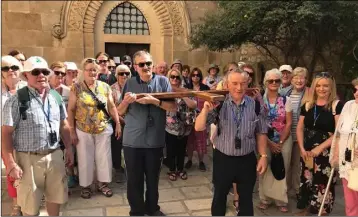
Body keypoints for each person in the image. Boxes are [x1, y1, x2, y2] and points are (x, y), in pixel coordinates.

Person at [2, 56, 73, 216]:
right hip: (28, 159)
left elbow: (64, 125)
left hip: (54, 155)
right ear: (26, 75)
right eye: (35, 72)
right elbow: (6, 133)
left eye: (44, 71)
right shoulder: (16, 100)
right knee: (30, 205)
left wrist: (68, 148)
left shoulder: (56, 97)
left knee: (56, 198)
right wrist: (11, 163)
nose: (41, 75)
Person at [194, 67, 268, 216]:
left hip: (247, 159)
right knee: (219, 196)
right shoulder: (218, 104)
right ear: (227, 85)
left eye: (243, 83)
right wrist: (205, 110)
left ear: (248, 84)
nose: (239, 88)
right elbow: (198, 127)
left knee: (246, 198)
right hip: (224, 158)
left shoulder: (256, 105)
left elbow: (261, 131)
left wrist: (263, 156)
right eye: (234, 83)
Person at [117, 50, 176, 216]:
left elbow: (172, 107)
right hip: (132, 141)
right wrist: (125, 102)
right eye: (141, 64)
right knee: (134, 180)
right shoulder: (129, 83)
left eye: (148, 63)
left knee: (153, 179)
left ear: (153, 64)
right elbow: (119, 111)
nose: (146, 67)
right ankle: (136, 211)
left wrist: (154, 101)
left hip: (155, 140)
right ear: (135, 67)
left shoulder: (163, 81)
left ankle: (152, 208)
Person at [67, 58, 121, 199]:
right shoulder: (76, 87)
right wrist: (71, 130)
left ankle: (102, 184)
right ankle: (86, 186)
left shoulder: (105, 87)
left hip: (102, 127)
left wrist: (118, 123)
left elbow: (111, 106)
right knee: (85, 158)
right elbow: (71, 110)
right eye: (89, 69)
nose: (92, 72)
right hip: (82, 129)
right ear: (83, 72)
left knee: (104, 157)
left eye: (94, 69)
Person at [295, 72, 343, 216]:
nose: (321, 89)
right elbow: (299, 127)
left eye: (325, 86)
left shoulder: (336, 105)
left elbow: (338, 132)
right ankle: (306, 209)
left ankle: (321, 212)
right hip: (307, 151)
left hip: (325, 152)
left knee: (322, 184)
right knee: (306, 180)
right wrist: (302, 148)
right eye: (319, 86)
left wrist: (320, 148)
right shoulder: (308, 104)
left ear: (331, 87)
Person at [258, 68, 293, 213]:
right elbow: (257, 122)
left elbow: (289, 122)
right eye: (270, 80)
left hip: (283, 138)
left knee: (281, 168)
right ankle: (265, 198)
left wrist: (279, 143)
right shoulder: (259, 100)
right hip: (264, 138)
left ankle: (280, 200)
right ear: (266, 82)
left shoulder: (286, 100)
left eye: (276, 80)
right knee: (264, 169)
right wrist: (270, 143)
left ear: (280, 82)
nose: (273, 83)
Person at [1, 55, 26, 216]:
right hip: (4, 137)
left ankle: (27, 198)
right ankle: (16, 204)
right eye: (5, 68)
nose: (11, 71)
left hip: (25, 137)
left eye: (14, 67)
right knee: (11, 169)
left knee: (25, 169)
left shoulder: (27, 89)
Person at [330, 78, 358, 216]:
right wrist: (335, 153)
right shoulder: (349, 106)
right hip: (348, 161)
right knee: (351, 202)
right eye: (355, 90)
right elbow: (339, 133)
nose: (357, 93)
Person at [165, 69, 197, 181]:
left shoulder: (186, 90)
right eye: (172, 77)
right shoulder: (165, 91)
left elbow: (193, 104)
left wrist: (182, 94)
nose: (174, 79)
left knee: (181, 150)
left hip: (184, 126)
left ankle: (180, 169)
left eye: (177, 77)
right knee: (171, 150)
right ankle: (172, 169)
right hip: (170, 126)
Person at [286, 67, 310, 198]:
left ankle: (297, 190)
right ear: (291, 79)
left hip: (301, 136)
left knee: (298, 164)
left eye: (302, 77)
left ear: (306, 80)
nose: (299, 80)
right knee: (287, 163)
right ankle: (286, 188)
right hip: (288, 134)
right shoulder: (285, 93)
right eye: (296, 77)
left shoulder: (310, 94)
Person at [185, 68, 210, 171]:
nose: (196, 77)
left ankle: (201, 161)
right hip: (189, 118)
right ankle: (189, 160)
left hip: (201, 117)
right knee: (190, 141)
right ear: (191, 77)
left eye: (198, 75)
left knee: (201, 141)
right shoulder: (187, 88)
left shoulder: (205, 87)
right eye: (194, 75)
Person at [111, 64, 132, 183]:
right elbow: (111, 107)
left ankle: (129, 169)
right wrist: (119, 119)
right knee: (117, 146)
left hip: (132, 122)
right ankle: (118, 169)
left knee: (130, 146)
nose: (124, 76)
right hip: (117, 122)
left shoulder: (134, 87)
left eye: (126, 73)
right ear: (116, 75)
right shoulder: (111, 88)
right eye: (121, 73)